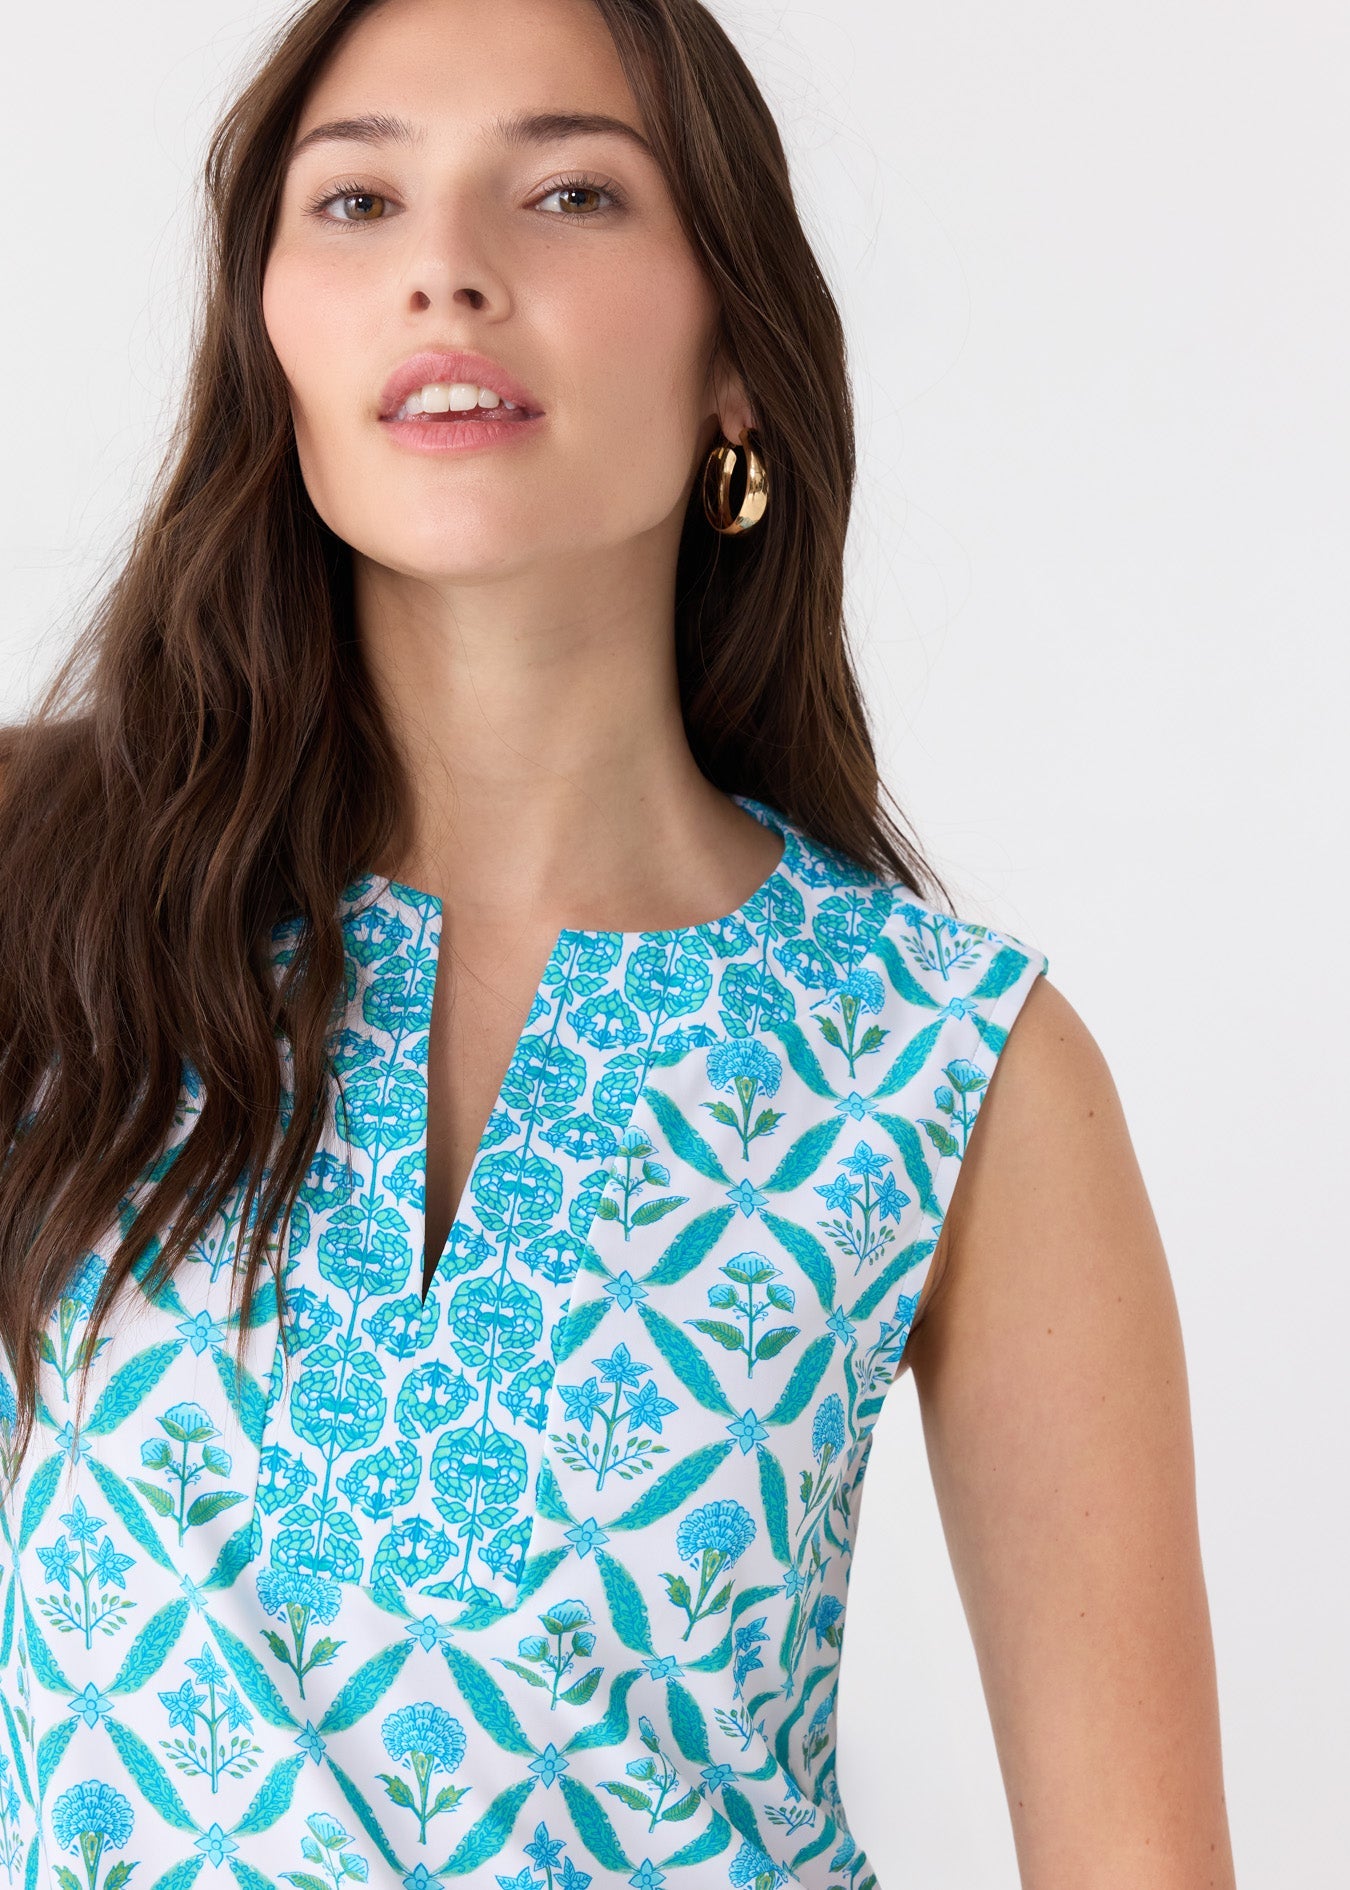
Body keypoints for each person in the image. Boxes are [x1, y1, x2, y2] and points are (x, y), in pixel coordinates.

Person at [0, 0, 1236, 1884]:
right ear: (271, 339)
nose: (443, 270)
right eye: (357, 202)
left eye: (571, 192)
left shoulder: (946, 1063)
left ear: (733, 350)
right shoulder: (46, 892)